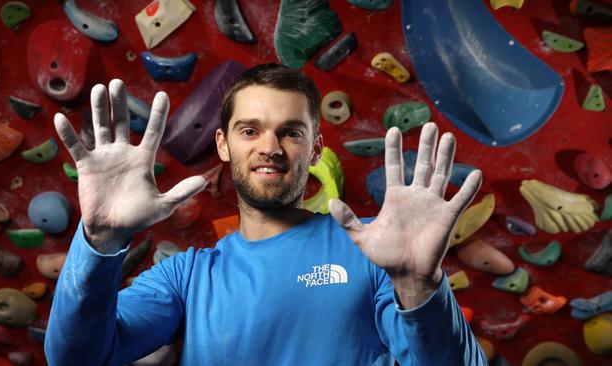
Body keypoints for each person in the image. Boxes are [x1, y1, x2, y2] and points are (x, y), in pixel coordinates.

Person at [45, 63, 488, 365]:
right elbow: (75, 357)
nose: (270, 148)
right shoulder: (186, 278)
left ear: (315, 148)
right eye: (250, 130)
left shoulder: (377, 249)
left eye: (291, 132)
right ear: (223, 144)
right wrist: (100, 238)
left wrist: (418, 287)